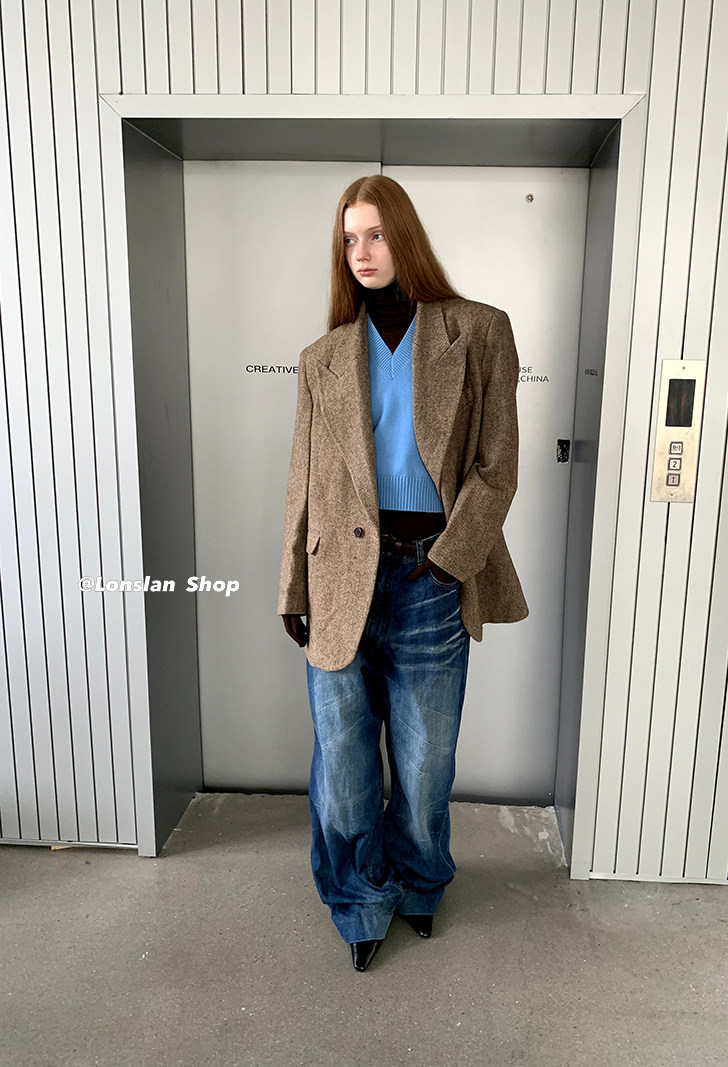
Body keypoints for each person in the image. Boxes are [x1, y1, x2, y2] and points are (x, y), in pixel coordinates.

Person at [278, 174, 528, 972]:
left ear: (406, 237)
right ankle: (358, 898)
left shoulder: (477, 330)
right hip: (338, 582)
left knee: (424, 761)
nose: (362, 251)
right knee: (343, 761)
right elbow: (304, 483)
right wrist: (292, 585)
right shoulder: (322, 358)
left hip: (429, 580)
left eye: (377, 234)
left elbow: (497, 467)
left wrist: (449, 563)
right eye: (349, 238)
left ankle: (420, 883)